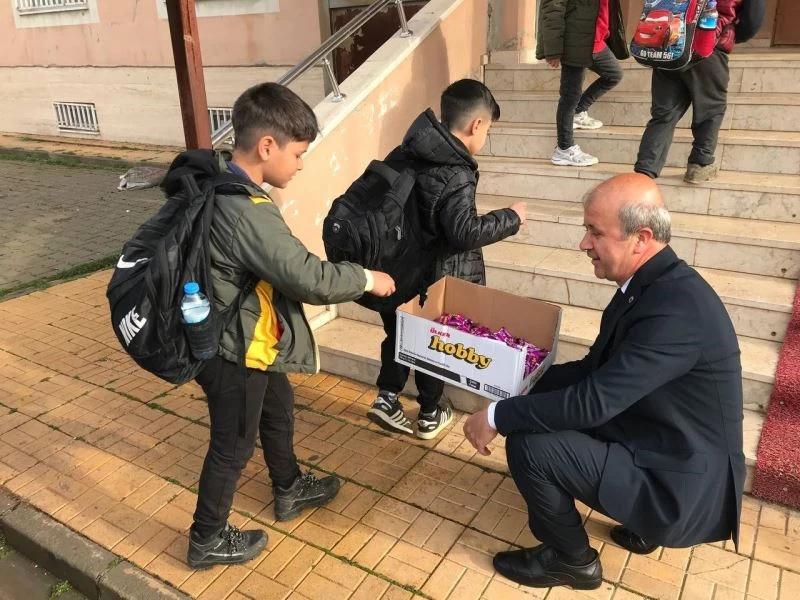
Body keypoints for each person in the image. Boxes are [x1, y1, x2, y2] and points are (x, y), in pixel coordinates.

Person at [463, 173, 745, 589]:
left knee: (530, 444)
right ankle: (637, 523)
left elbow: (591, 402)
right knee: (539, 413)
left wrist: (498, 414)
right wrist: (519, 379)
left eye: (595, 232)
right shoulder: (650, 286)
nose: (584, 244)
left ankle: (571, 561)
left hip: (682, 489)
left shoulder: (675, 311)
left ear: (641, 237)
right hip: (665, 443)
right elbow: (595, 369)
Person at [162, 83, 397, 569]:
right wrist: (368, 278)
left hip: (244, 337)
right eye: (298, 153)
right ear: (267, 146)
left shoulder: (218, 182)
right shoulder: (247, 211)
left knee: (278, 407)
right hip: (231, 349)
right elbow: (307, 277)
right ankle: (206, 539)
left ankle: (289, 487)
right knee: (232, 445)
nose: (301, 164)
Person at [367, 79, 526, 440]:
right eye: (488, 130)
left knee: (398, 331)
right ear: (477, 125)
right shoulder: (455, 169)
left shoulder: (408, 151)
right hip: (432, 275)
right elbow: (464, 232)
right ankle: (429, 412)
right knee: (430, 342)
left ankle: (387, 398)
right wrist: (511, 217)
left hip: (396, 267)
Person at [634, 0, 743, 184]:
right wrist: (730, 35)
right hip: (708, 45)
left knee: (663, 114)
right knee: (711, 108)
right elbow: (753, 19)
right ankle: (699, 165)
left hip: (671, 43)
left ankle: (644, 171)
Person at [537, 0, 628, 167]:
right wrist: (553, 49)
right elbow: (552, 10)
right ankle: (564, 149)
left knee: (614, 74)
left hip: (596, 42)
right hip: (575, 42)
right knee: (569, 97)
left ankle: (579, 111)